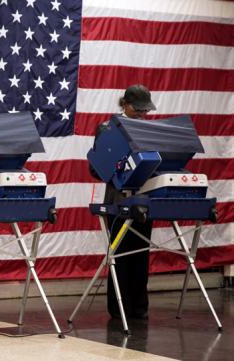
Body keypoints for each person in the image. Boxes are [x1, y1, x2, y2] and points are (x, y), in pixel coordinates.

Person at [92, 84, 156, 320]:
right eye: (138, 109)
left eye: (145, 111)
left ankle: (139, 308)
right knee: (121, 255)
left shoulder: (149, 129)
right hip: (118, 200)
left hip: (144, 197)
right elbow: (95, 168)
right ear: (125, 104)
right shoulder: (108, 128)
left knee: (141, 253)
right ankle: (120, 309)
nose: (142, 114)